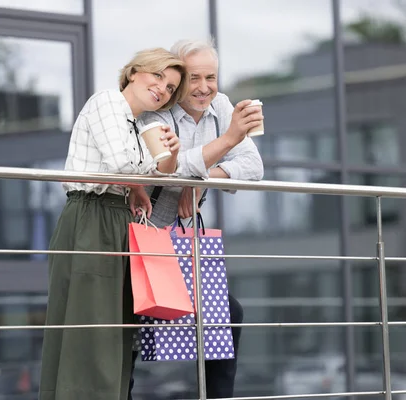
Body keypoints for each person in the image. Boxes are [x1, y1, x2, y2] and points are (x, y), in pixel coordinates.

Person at [39, 47, 188, 400]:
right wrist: (145, 173)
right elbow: (121, 163)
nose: (162, 90)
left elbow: (152, 174)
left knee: (113, 331)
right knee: (90, 326)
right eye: (158, 77)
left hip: (116, 218)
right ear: (135, 72)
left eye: (169, 88)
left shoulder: (137, 125)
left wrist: (168, 161)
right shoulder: (107, 101)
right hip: (90, 215)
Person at [129, 38, 264, 399]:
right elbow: (163, 168)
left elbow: (253, 167)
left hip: (182, 240)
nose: (204, 88)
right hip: (143, 236)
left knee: (226, 315)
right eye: (194, 78)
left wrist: (198, 180)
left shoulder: (221, 105)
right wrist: (228, 141)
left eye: (211, 77)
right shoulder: (158, 110)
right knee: (131, 322)